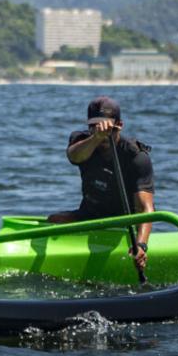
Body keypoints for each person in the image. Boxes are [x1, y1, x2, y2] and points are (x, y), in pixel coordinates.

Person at [47, 95, 154, 277]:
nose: (100, 131)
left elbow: (146, 207)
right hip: (91, 215)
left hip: (122, 221)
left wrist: (141, 244)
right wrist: (96, 138)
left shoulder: (136, 157)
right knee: (53, 220)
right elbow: (74, 157)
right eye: (93, 126)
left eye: (105, 126)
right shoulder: (81, 141)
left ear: (119, 124)